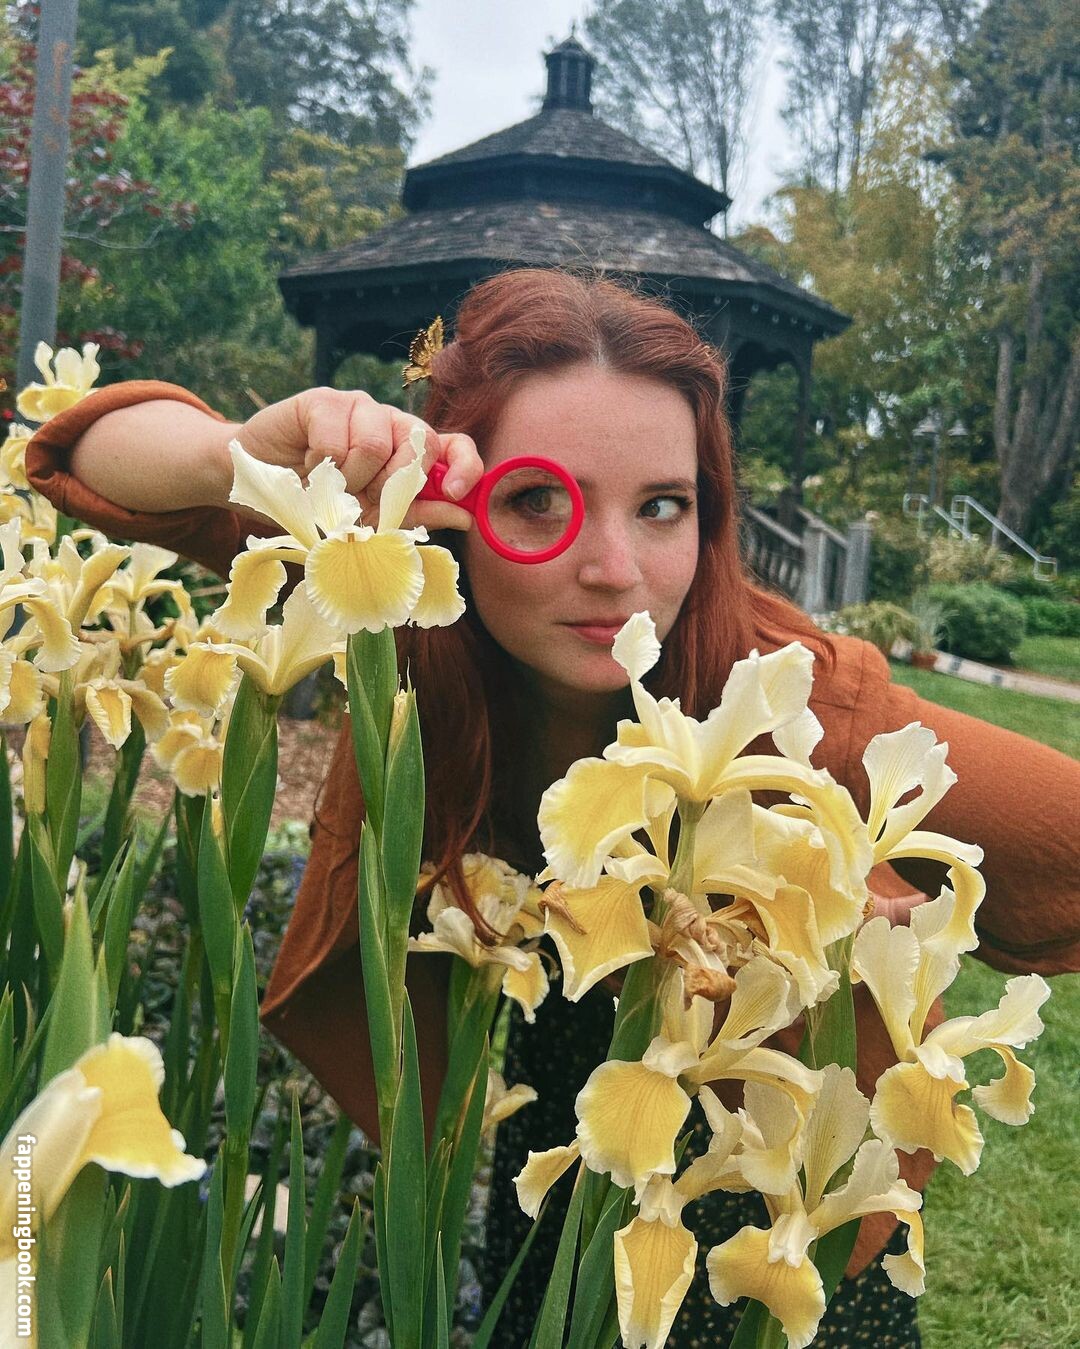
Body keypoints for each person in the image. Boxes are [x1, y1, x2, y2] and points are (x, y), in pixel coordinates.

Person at [26, 268, 1080, 1346]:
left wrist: (875, 923)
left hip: (776, 1218)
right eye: (540, 500)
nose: (615, 570)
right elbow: (82, 454)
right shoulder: (403, 602)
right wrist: (241, 454)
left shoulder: (791, 695)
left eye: (662, 506)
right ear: (452, 503)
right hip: (566, 1158)